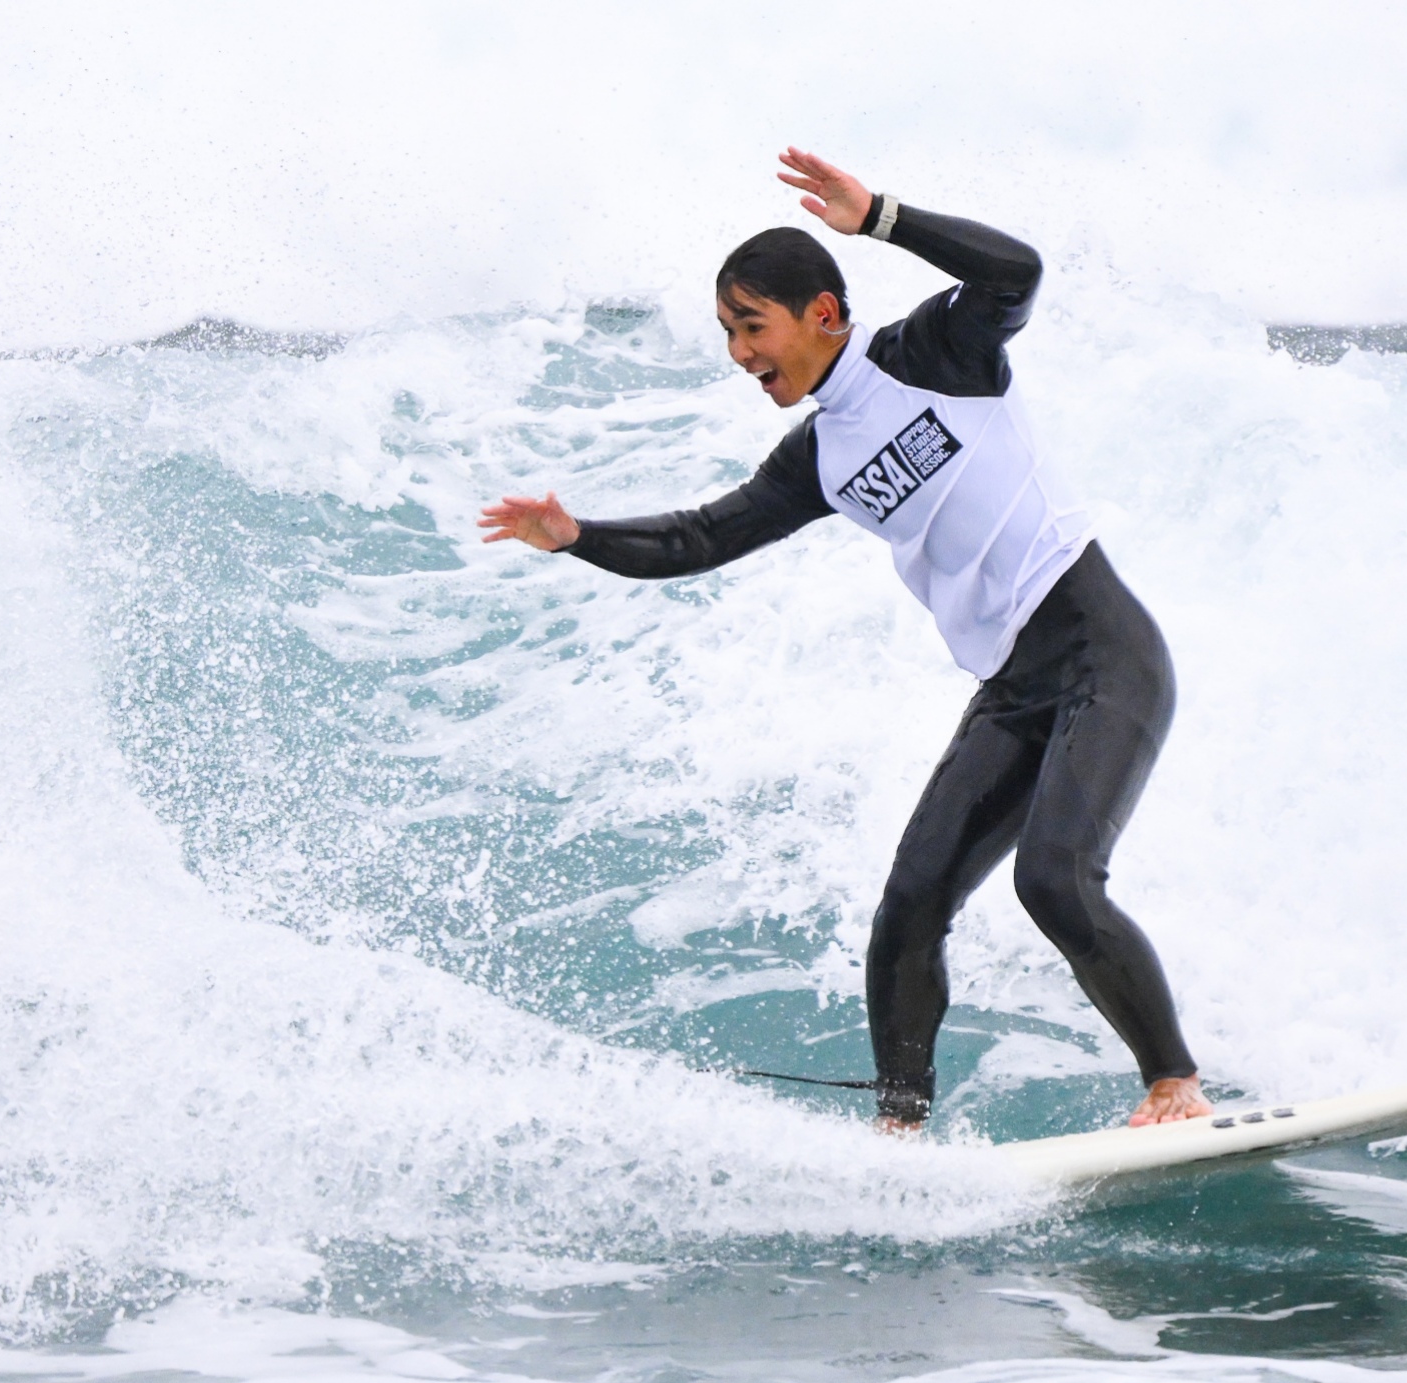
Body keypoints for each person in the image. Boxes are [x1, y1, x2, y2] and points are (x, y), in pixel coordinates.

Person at [478, 148, 1212, 1132]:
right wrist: (577, 536)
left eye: (751, 325)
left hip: (1102, 651)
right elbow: (700, 538)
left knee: (1053, 878)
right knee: (910, 904)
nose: (738, 352)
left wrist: (880, 219)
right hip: (1012, 688)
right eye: (727, 331)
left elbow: (1015, 273)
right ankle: (899, 1125)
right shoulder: (817, 456)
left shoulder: (935, 356)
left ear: (822, 312)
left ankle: (1174, 1085)